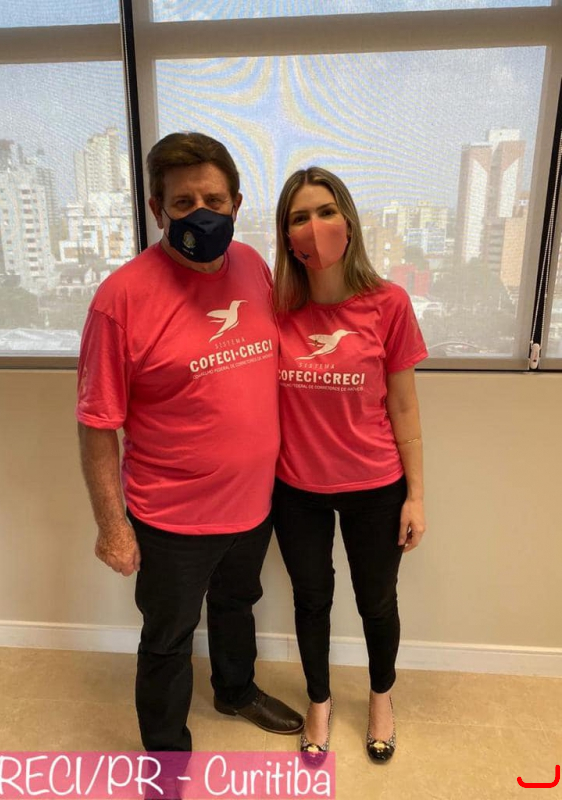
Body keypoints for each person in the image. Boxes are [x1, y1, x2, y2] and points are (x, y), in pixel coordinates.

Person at [76, 132, 304, 763]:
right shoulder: (121, 300)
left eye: (214, 200)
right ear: (158, 209)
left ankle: (235, 691)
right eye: (183, 203)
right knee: (169, 637)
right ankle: (167, 756)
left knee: (238, 604)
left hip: (253, 504)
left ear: (236, 203)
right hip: (171, 517)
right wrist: (112, 527)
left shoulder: (253, 266)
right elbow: (97, 423)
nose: (201, 214)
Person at [272, 166, 428, 763]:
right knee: (311, 600)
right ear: (287, 235)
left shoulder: (388, 304)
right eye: (299, 217)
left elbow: (404, 407)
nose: (314, 227)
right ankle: (319, 701)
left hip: (376, 486)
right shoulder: (276, 309)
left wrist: (416, 496)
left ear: (349, 220)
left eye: (325, 211)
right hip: (296, 489)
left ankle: (381, 698)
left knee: (376, 602)